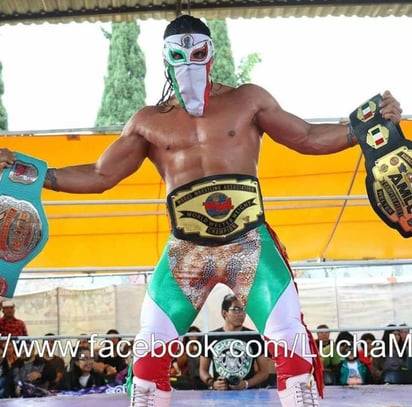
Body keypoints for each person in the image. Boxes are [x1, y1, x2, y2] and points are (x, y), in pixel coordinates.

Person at [0, 14, 403, 407]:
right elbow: (101, 174)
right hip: (186, 253)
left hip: (249, 244)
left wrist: (366, 126)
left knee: (292, 349)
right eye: (179, 55)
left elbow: (309, 137)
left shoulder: (248, 100)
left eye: (198, 53)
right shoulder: (146, 123)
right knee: (145, 364)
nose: (189, 62)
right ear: (164, 59)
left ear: (212, 54)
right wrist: (28, 171)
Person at [199, 294, 269, 391]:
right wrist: (213, 384)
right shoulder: (210, 337)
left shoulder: (255, 336)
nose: (241, 314)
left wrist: (245, 384)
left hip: (249, 396)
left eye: (243, 310)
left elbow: (264, 372)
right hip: (221, 396)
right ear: (224, 313)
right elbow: (202, 370)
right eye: (236, 309)